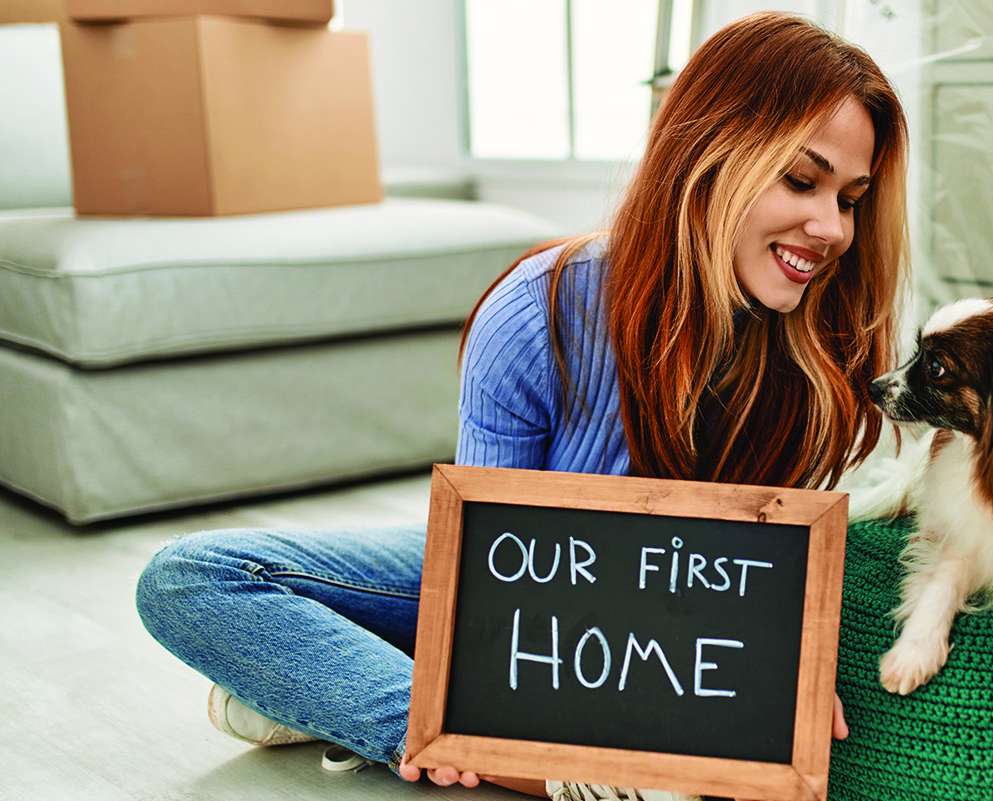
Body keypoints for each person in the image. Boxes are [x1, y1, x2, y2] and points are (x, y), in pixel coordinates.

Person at [134, 10, 908, 800]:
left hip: (665, 627)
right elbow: (493, 605)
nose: (831, 228)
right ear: (705, 156)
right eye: (800, 180)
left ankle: (337, 699)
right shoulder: (540, 312)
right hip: (539, 602)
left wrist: (783, 661)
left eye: (851, 198)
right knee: (190, 578)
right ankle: (542, 766)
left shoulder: (819, 342)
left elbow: (757, 576)